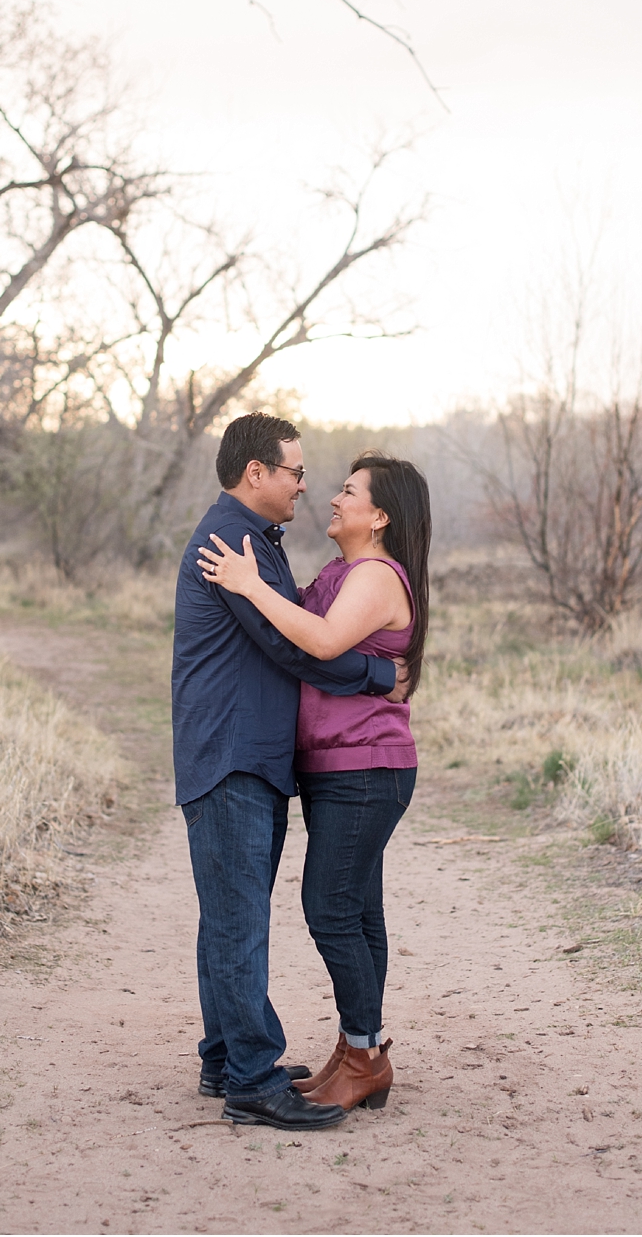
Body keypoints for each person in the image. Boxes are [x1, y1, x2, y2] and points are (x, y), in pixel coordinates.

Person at [170, 412, 407, 1132]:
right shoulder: (231, 540)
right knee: (240, 921)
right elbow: (289, 646)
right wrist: (375, 672)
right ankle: (251, 1077)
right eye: (296, 472)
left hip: (249, 756)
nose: (306, 485)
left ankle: (223, 1057)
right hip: (233, 754)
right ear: (257, 474)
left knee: (228, 916)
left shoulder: (254, 542)